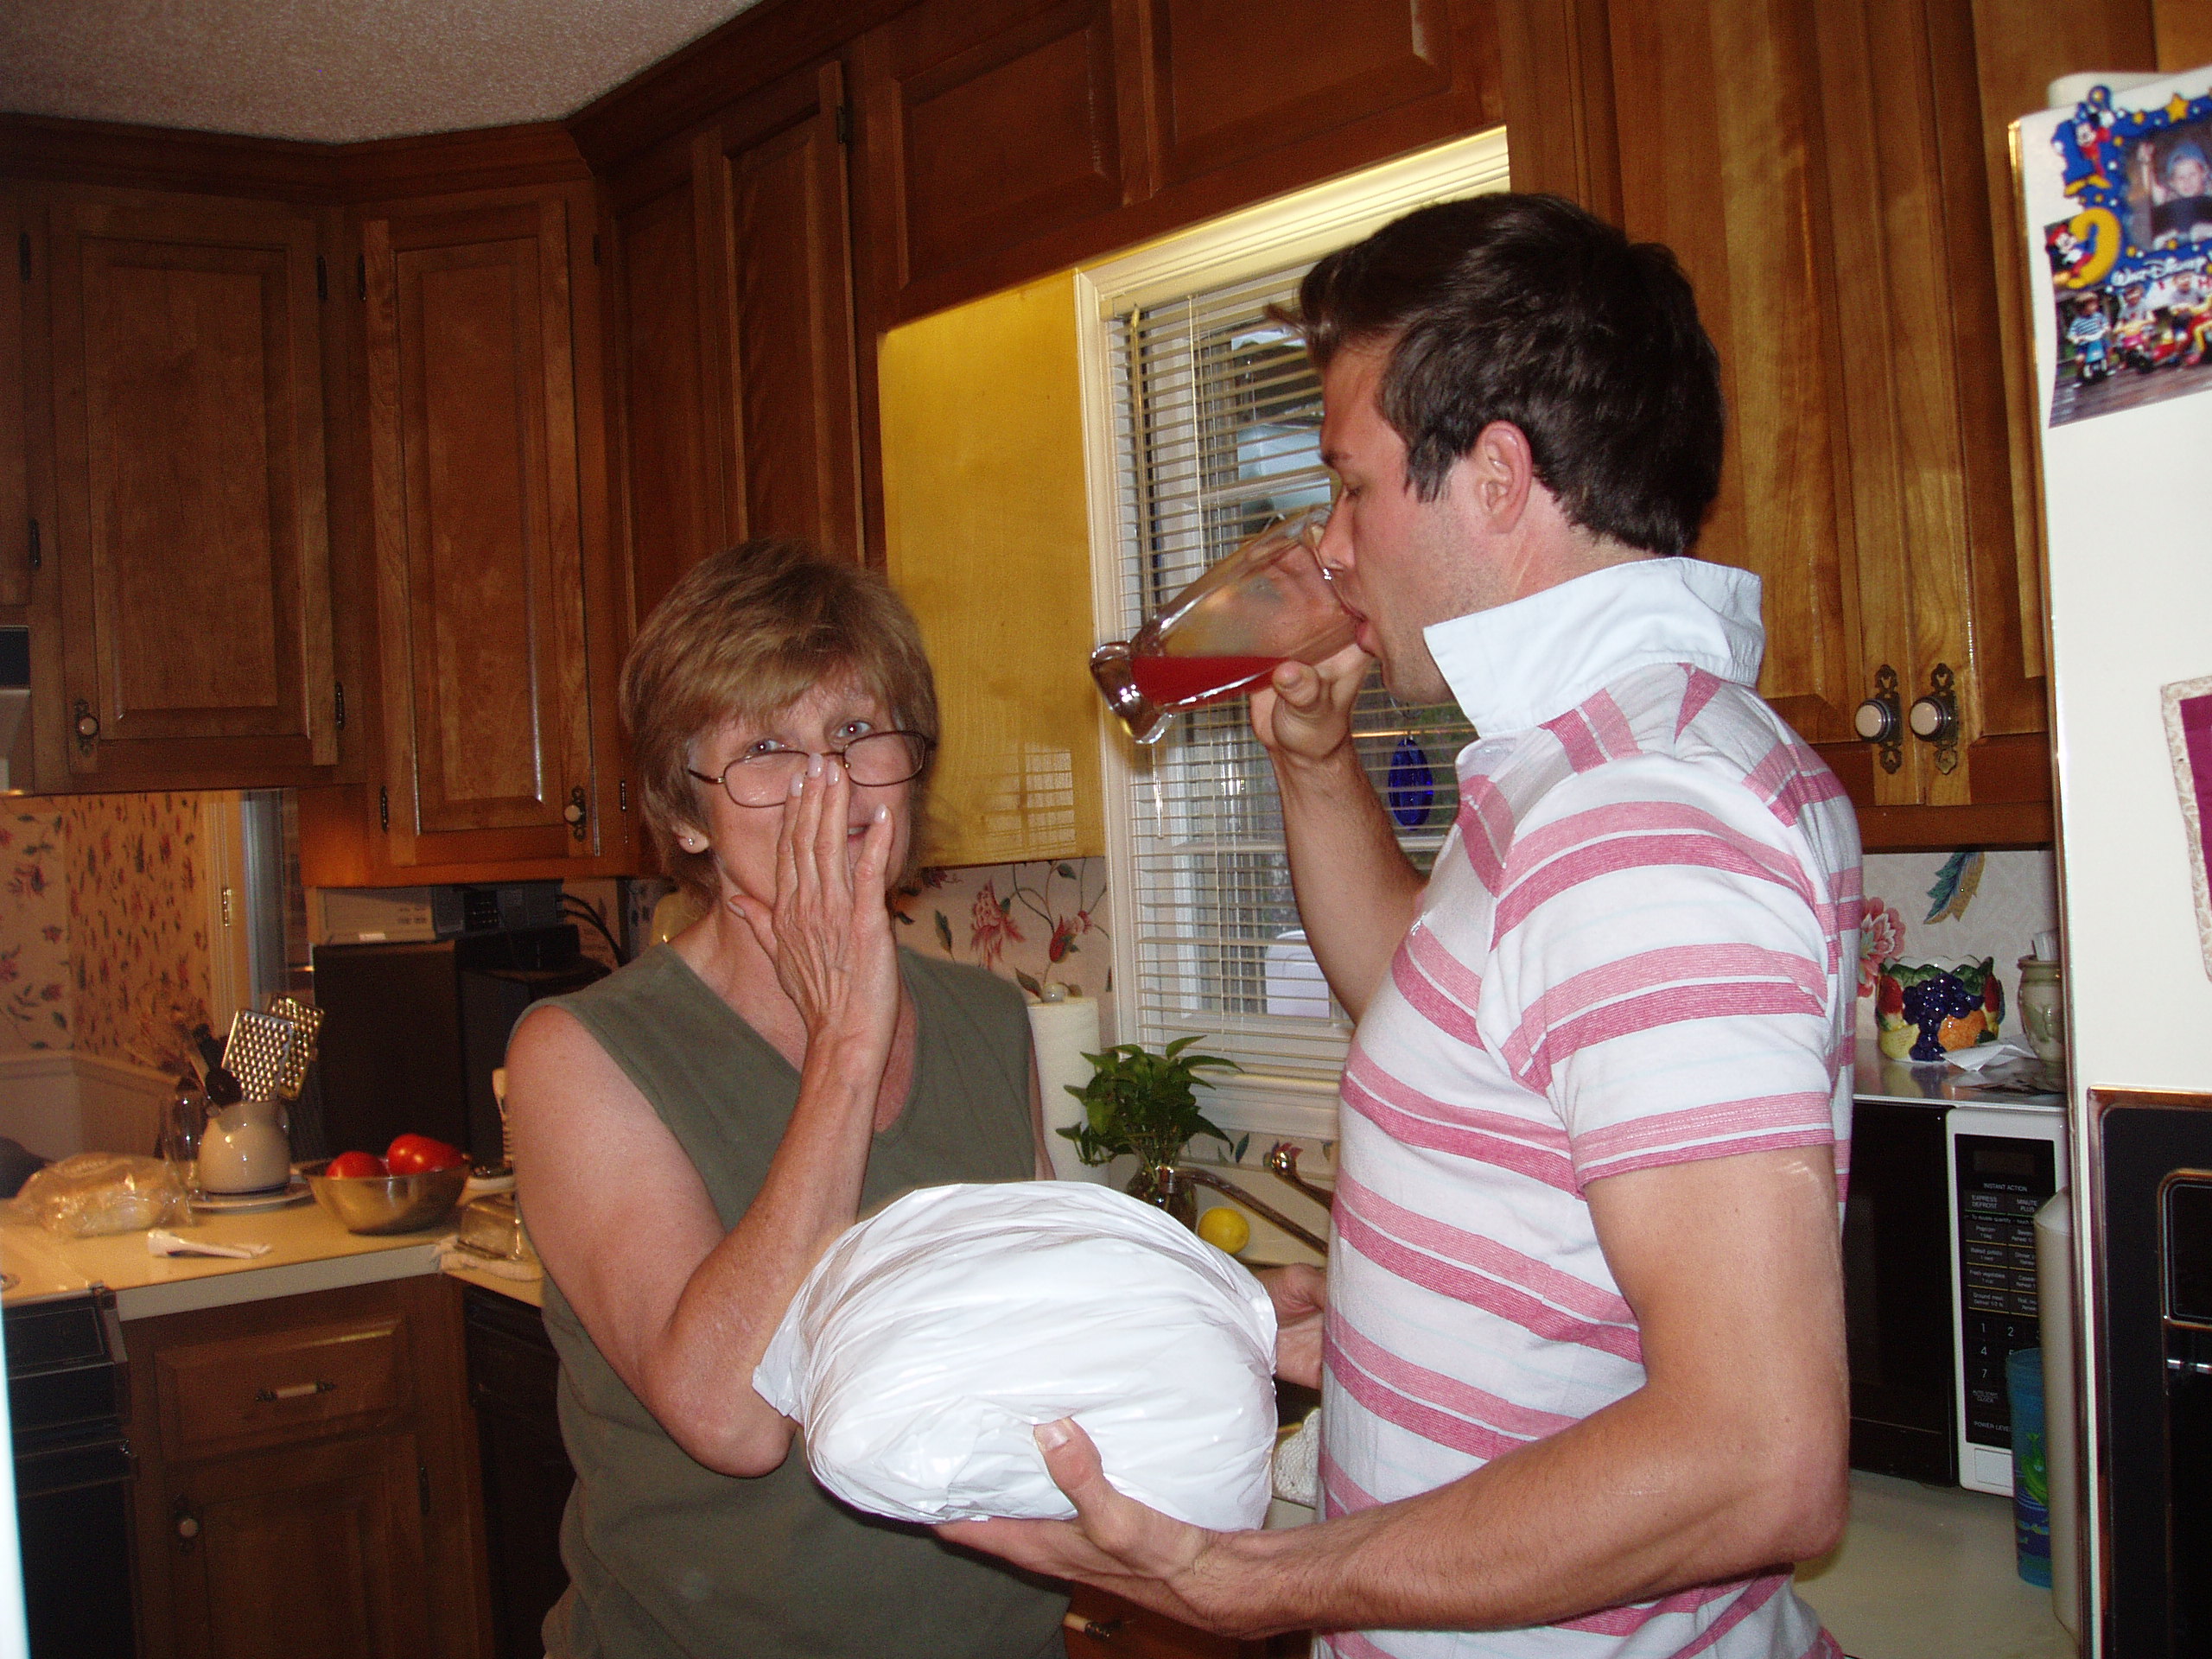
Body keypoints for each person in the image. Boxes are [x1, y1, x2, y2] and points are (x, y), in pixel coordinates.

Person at [948, 194, 1859, 1657]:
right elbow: (1428, 1008)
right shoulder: (1580, 765)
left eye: (1351, 485)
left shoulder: (1641, 816)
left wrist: (1252, 1580)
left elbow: (1757, 1458)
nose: (1330, 544)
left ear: (1495, 477)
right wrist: (1313, 764)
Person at [505, 540, 1070, 1659]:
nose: (829, 784)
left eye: (859, 732)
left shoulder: (988, 1019)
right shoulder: (578, 1053)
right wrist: (846, 1047)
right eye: (766, 748)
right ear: (687, 814)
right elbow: (731, 1419)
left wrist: (1228, 1318)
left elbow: (1029, 1333)